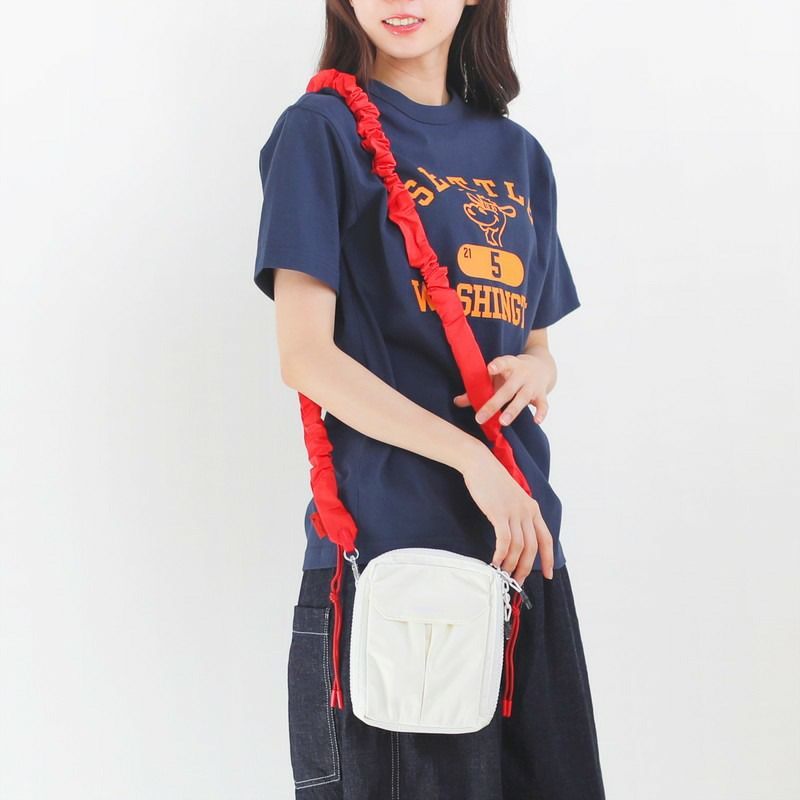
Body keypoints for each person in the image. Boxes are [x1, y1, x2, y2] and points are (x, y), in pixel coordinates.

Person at [253, 1, 606, 797]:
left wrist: (537, 372)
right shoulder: (320, 132)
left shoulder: (518, 155)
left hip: (524, 554)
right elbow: (305, 357)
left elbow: (537, 342)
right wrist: (472, 461)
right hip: (395, 562)